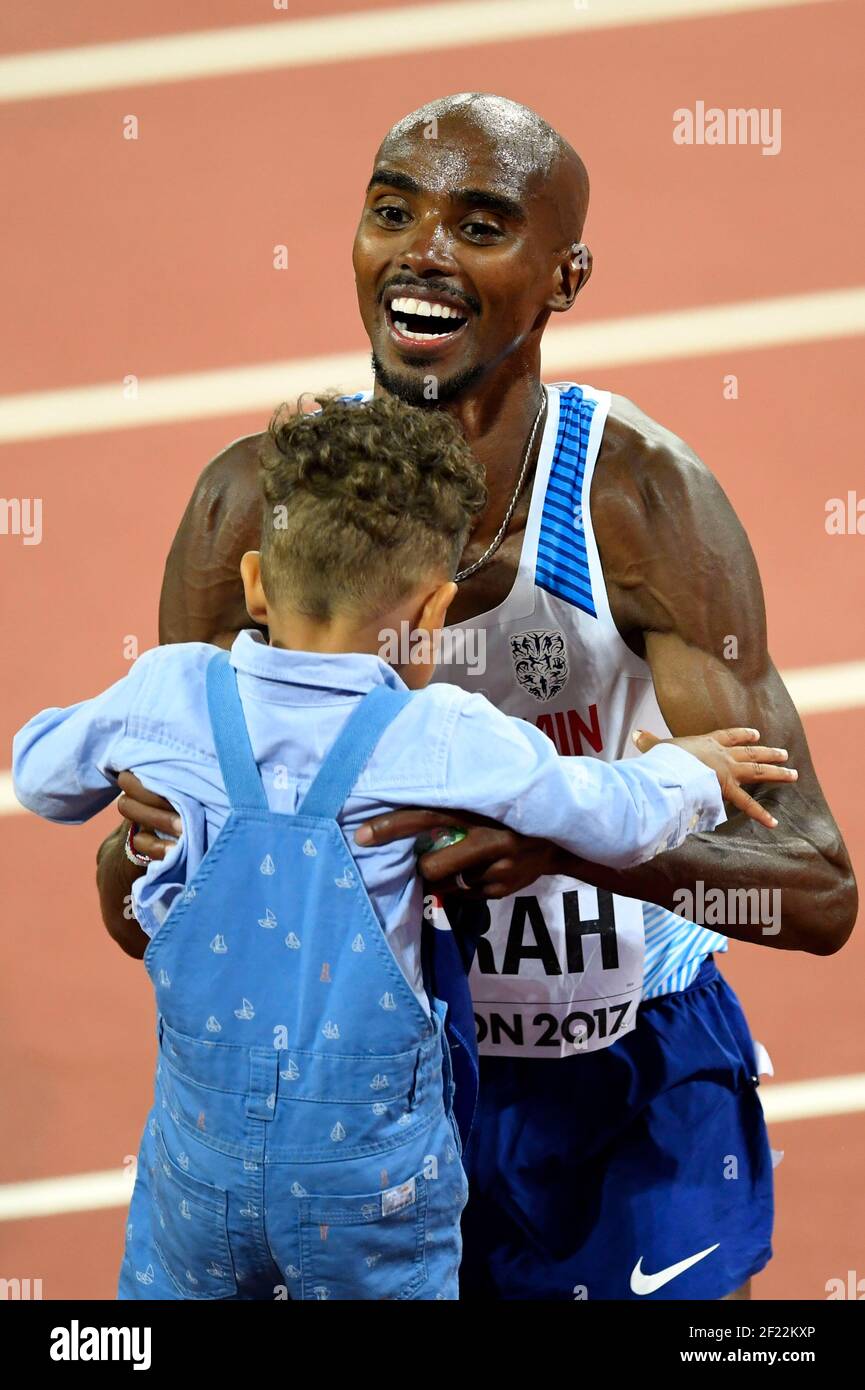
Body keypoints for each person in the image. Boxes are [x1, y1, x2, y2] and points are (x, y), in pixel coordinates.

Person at [95, 95, 856, 1300]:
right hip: (359, 1105)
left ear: (566, 276)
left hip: (622, 1079)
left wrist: (557, 831)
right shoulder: (255, 510)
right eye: (392, 210)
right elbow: (136, 909)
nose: (425, 253)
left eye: (481, 223)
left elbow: (815, 888)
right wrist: (169, 854)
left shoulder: (640, 505)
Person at [13, 395, 789, 1300]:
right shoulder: (435, 732)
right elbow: (608, 814)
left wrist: (128, 773)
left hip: (200, 1159)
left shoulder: (168, 688)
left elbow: (37, 773)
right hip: (365, 1178)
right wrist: (691, 775)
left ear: (258, 584)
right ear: (433, 613)